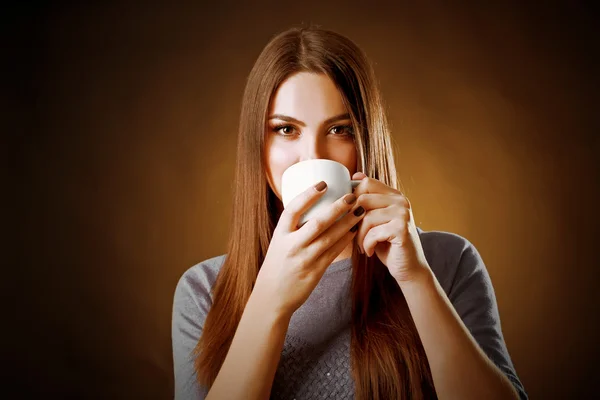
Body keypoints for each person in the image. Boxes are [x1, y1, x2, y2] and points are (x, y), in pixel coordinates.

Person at [171, 26, 528, 400]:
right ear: (257, 148)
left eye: (340, 129)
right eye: (286, 129)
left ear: (366, 142)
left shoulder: (447, 262)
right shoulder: (204, 291)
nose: (314, 156)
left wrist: (416, 280)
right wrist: (270, 301)